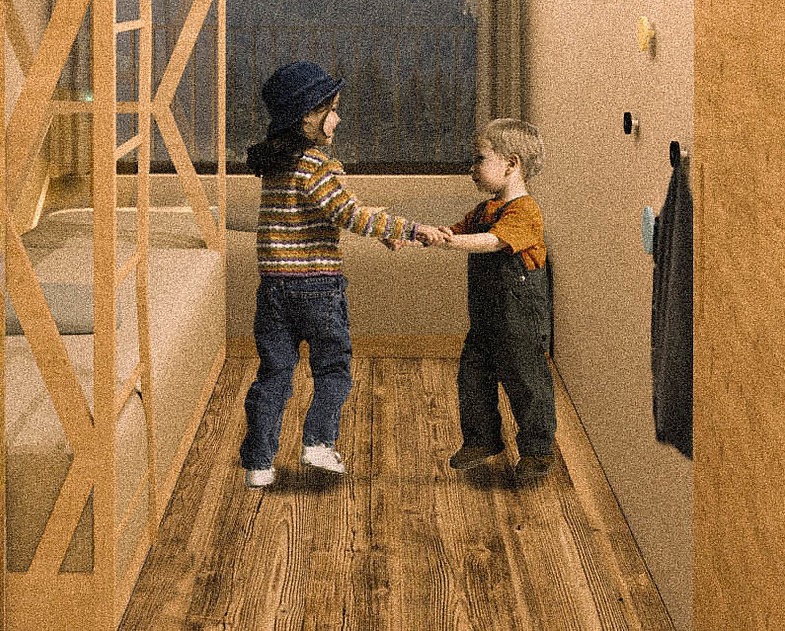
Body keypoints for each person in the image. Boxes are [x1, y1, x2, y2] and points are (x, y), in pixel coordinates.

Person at [238, 60, 446, 488]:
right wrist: (409, 229)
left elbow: (318, 216)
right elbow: (349, 214)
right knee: (333, 370)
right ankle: (317, 443)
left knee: (273, 376)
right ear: (306, 117)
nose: (338, 118)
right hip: (317, 289)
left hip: (273, 290)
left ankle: (258, 464)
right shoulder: (316, 166)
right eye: (331, 110)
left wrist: (380, 229)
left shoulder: (278, 167)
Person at [427, 118, 557, 481]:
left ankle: (537, 449)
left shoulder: (524, 211)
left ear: (511, 164)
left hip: (520, 319)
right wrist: (424, 236)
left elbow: (493, 241)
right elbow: (455, 231)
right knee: (473, 377)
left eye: (479, 159)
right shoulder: (485, 210)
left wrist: (449, 241)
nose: (472, 168)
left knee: (526, 380)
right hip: (486, 317)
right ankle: (482, 440)